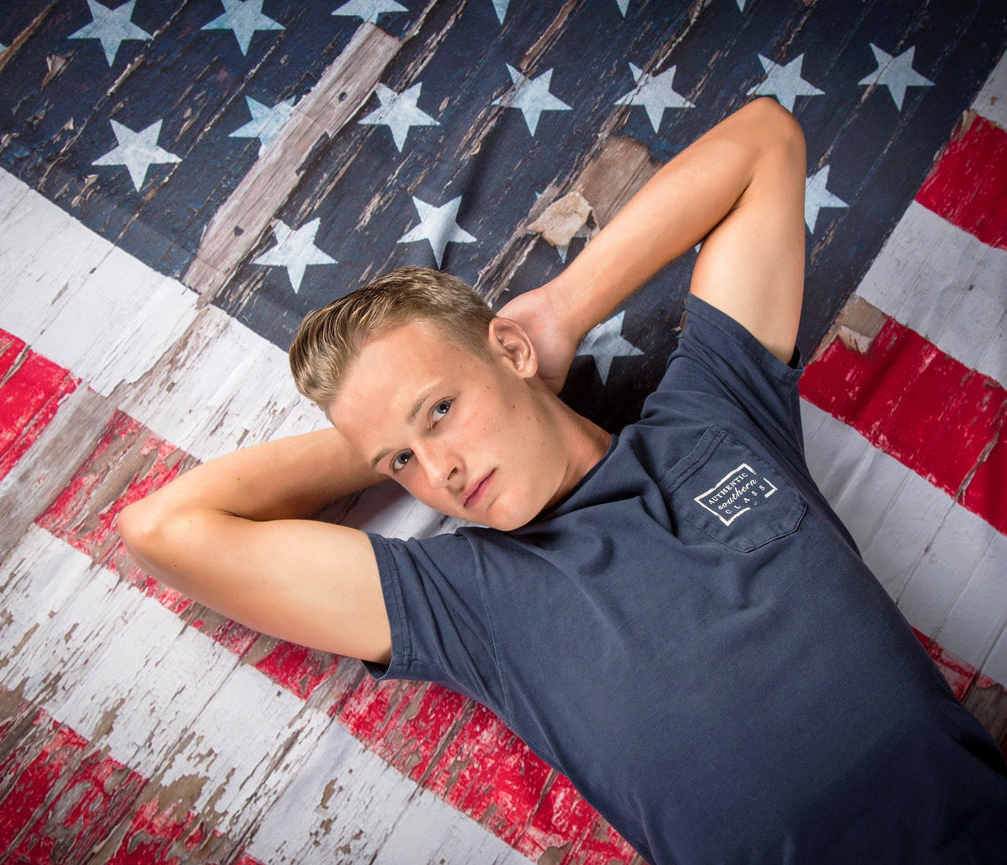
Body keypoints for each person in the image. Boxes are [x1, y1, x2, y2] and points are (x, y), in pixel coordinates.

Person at [119, 98, 1007, 863]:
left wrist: (567, 305)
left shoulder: (714, 414)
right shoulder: (468, 601)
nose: (440, 471)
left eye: (440, 411)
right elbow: (164, 527)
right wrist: (381, 430)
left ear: (508, 352)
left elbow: (766, 142)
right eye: (400, 464)